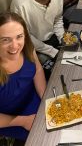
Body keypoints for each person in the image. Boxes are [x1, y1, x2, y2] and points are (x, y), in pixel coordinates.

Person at [0, 12, 46, 142]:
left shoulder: (27, 48)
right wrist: (23, 121)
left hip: (35, 99)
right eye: (5, 39)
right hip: (10, 119)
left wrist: (44, 96)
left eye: (19, 37)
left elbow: (37, 69)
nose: (15, 46)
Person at [10, 0, 64, 69]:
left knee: (74, 60)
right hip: (33, 47)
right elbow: (25, 37)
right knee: (56, 71)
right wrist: (53, 51)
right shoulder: (20, 4)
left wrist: (62, 38)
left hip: (53, 38)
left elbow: (58, 19)